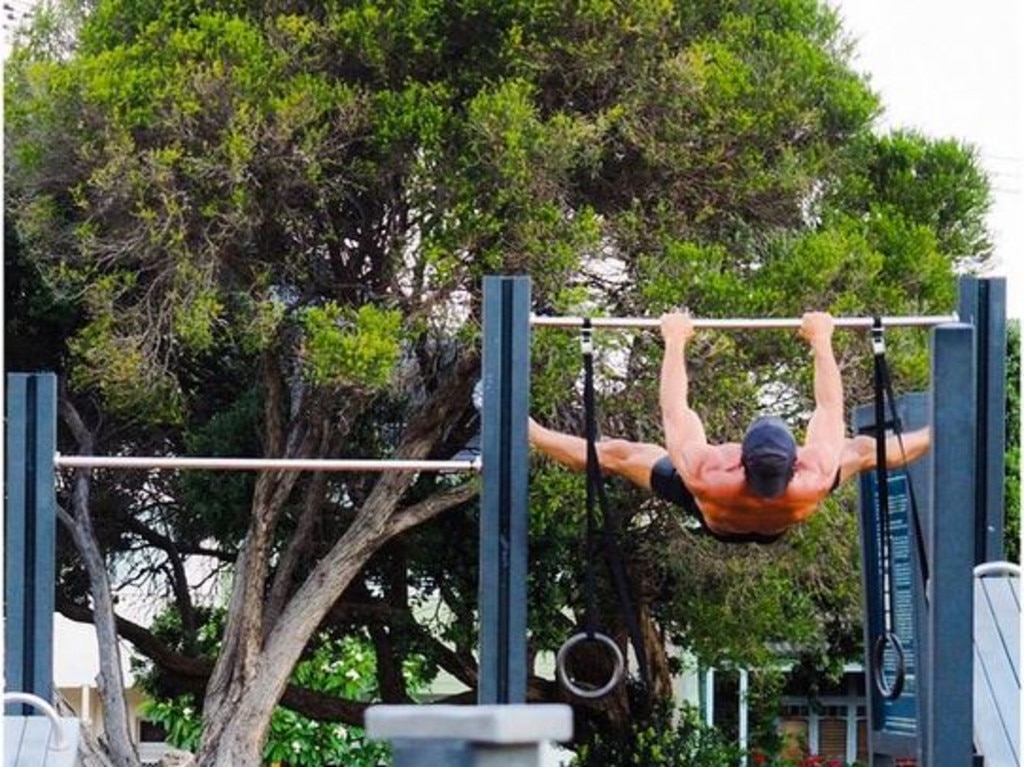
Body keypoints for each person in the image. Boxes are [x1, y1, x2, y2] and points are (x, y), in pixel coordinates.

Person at [529, 311, 931, 544]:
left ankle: (528, 431)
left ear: (740, 458)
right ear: (795, 462)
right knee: (861, 451)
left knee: (620, 454)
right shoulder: (815, 475)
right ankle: (941, 434)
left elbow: (674, 409)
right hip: (779, 518)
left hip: (717, 512)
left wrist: (675, 340)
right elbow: (829, 407)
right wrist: (821, 339)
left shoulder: (707, 473)